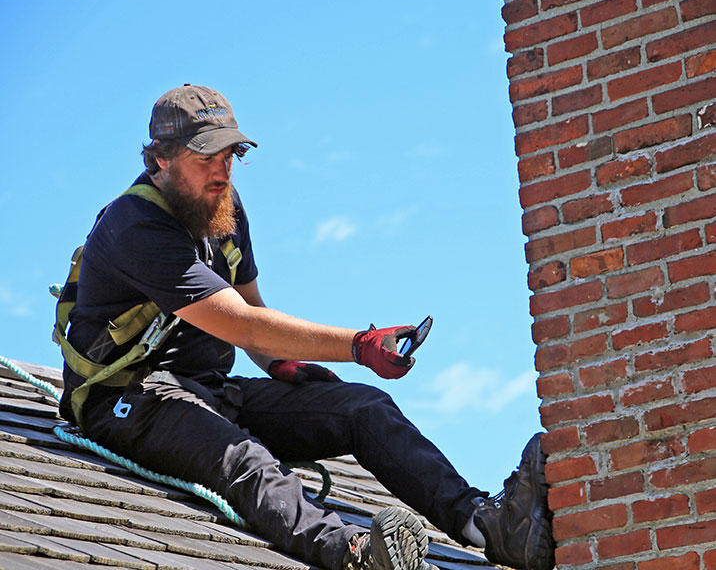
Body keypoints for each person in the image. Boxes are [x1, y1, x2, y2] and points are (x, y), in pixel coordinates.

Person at [57, 84, 555, 570]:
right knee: (243, 458)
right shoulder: (135, 226)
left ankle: (487, 527)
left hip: (209, 391)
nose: (223, 169)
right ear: (162, 159)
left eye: (231, 153)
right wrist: (360, 346)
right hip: (127, 402)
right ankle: (356, 554)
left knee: (365, 409)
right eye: (206, 156)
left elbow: (253, 305)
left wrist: (284, 366)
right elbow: (246, 325)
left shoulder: (222, 208)